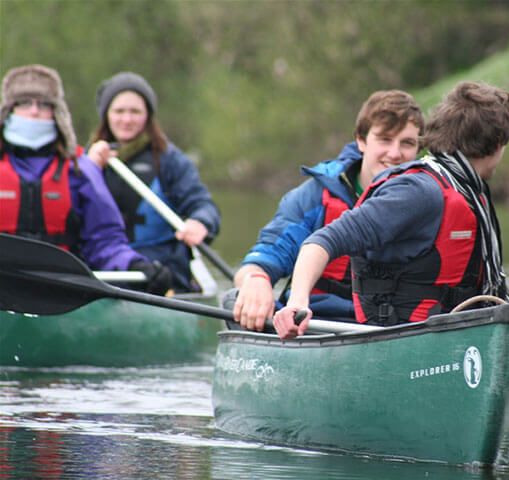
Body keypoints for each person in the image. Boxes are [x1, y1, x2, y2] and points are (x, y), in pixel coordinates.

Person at [273, 81, 509, 339]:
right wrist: (298, 302)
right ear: (498, 143)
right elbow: (322, 241)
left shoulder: (468, 192)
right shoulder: (418, 192)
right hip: (401, 341)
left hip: (449, 340)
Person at [233, 90, 424, 331]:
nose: (395, 154)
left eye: (407, 143)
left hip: (389, 330)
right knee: (237, 299)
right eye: (385, 139)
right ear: (362, 141)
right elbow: (262, 259)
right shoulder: (315, 196)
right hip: (314, 324)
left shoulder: (430, 199)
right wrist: (256, 280)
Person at [0, 64, 172, 295]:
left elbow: (106, 242)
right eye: (24, 103)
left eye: (43, 105)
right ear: (8, 111)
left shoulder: (80, 170)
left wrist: (136, 265)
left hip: (61, 294)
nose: (33, 112)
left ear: (56, 113)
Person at [87, 72, 221, 292]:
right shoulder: (88, 163)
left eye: (135, 111)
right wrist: (90, 169)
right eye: (119, 111)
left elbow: (203, 205)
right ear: (106, 115)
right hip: (104, 269)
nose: (127, 119)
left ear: (147, 116)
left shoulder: (170, 160)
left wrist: (200, 222)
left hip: (160, 270)